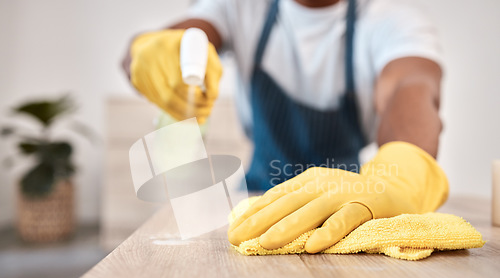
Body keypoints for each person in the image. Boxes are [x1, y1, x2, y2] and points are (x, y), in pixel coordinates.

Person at [122, 0, 449, 253]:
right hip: (255, 196)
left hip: (348, 205)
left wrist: (404, 173)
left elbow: (411, 85)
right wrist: (152, 53)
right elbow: (180, 38)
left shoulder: (391, 21)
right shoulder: (240, 7)